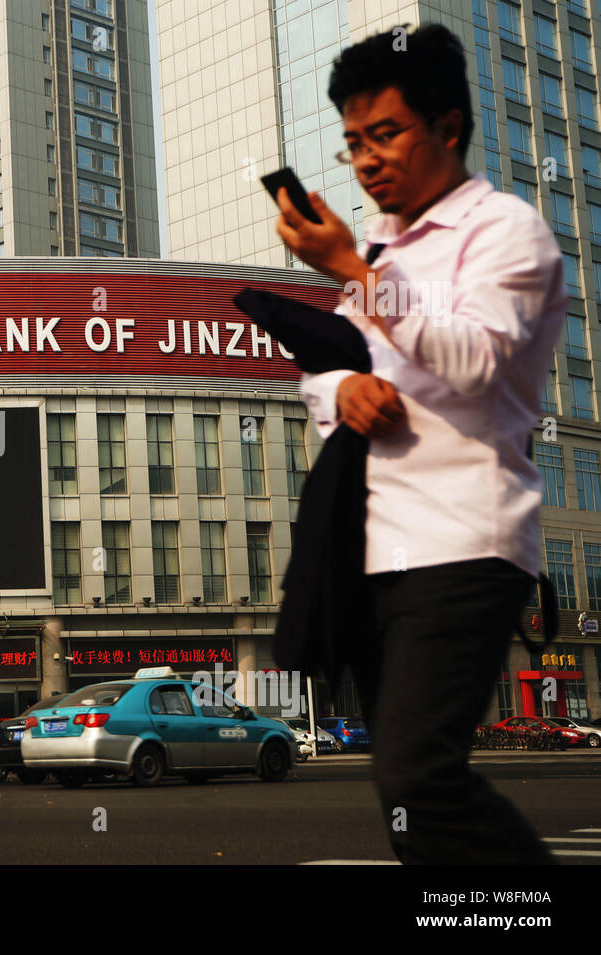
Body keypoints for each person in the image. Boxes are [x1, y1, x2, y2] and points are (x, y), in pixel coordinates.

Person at [271, 23, 563, 864]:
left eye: (387, 135)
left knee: (418, 775)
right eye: (353, 143)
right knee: (405, 791)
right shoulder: (379, 248)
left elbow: (474, 360)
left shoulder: (507, 233)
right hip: (369, 550)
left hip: (467, 538)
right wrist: (343, 392)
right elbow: (330, 373)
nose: (366, 162)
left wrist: (356, 275)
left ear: (449, 126)